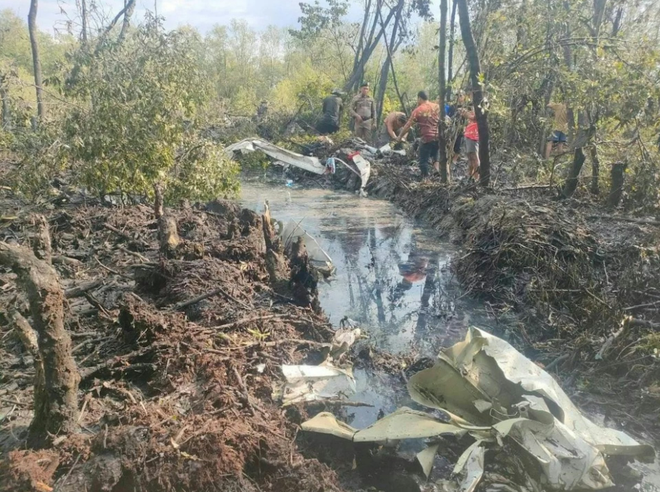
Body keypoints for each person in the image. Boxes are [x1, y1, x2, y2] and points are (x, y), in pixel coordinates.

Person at [398, 91, 440, 178]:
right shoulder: (436, 106)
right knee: (435, 155)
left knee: (423, 161)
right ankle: (437, 171)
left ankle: (426, 179)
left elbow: (408, 125)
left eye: (418, 99)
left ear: (420, 98)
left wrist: (400, 136)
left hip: (426, 138)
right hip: (438, 136)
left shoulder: (418, 110)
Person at [461, 107, 480, 181]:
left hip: (474, 135)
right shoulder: (472, 106)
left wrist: (467, 114)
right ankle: (470, 175)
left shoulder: (480, 102)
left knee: (474, 157)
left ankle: (476, 177)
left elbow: (476, 117)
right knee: (470, 157)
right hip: (469, 135)